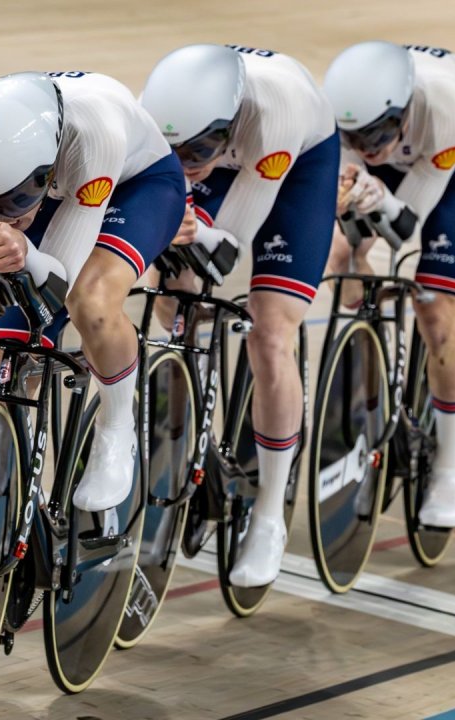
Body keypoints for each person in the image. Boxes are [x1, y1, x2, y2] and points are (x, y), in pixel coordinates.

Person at [0, 71, 184, 512]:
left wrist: (21, 251)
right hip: (50, 191)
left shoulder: (95, 132)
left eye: (13, 204)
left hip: (132, 185)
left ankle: (116, 428)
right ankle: (23, 501)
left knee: (91, 300)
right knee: (5, 345)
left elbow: (58, 284)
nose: (5, 216)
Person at [141, 44, 339, 587]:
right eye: (172, 150)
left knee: (269, 333)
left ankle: (270, 514)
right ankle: (191, 415)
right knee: (176, 293)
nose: (186, 162)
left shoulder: (274, 114)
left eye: (197, 148)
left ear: (226, 124)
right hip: (230, 164)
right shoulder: (159, 115)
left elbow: (227, 249)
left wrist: (190, 229)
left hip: (293, 168)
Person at [323, 41, 455, 528]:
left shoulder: (448, 109)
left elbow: (404, 227)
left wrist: (372, 200)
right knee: (341, 257)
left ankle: (449, 468)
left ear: (404, 108)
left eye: (378, 131)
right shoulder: (340, 118)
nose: (367, 144)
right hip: (387, 175)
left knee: (436, 309)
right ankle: (366, 377)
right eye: (355, 136)